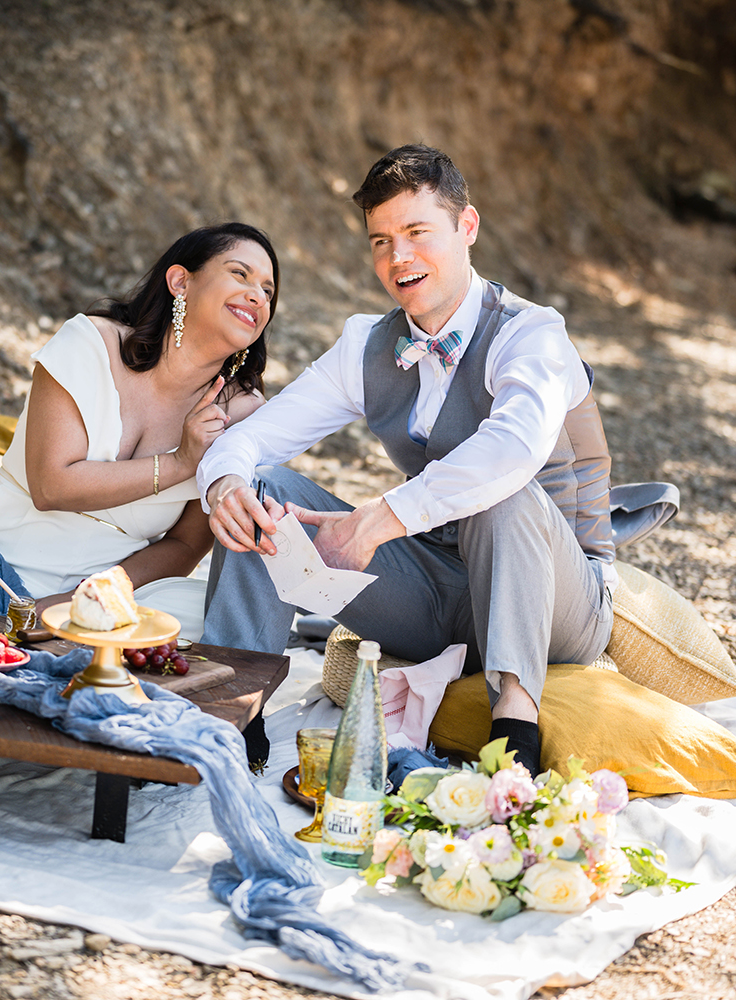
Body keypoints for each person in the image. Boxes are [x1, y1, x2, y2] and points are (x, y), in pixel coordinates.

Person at [197, 146, 616, 777]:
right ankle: (232, 703)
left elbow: (513, 448)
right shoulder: (368, 344)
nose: (399, 258)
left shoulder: (531, 334)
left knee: (504, 489)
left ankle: (516, 738)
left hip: (556, 601)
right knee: (261, 486)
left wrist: (377, 519)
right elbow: (258, 437)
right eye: (381, 241)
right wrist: (224, 482)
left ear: (466, 227)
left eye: (417, 233)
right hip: (437, 597)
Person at [0, 222, 279, 640]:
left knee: (217, 614)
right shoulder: (91, 343)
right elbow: (51, 486)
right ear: (180, 282)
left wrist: (81, 603)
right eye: (240, 274)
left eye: (268, 291)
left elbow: (186, 545)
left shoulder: (243, 416)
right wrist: (179, 463)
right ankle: (31, 651)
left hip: (108, 599)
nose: (257, 295)